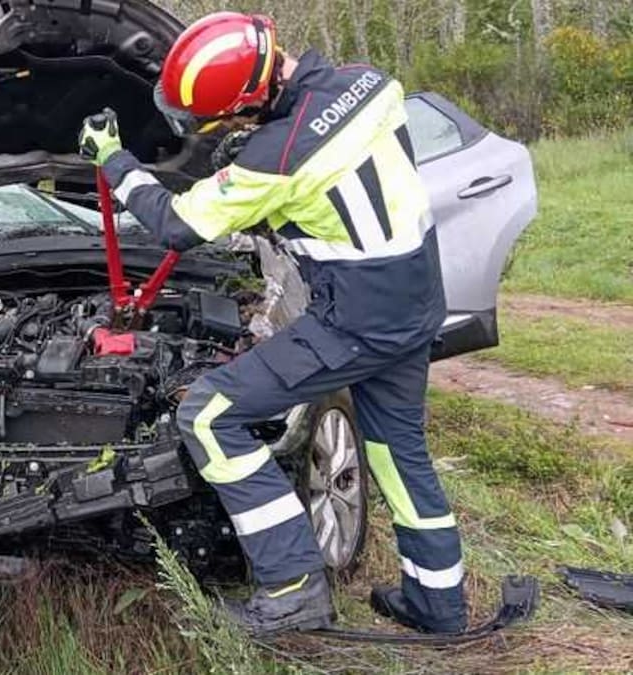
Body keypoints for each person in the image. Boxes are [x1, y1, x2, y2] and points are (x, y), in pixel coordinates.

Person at [78, 12, 467, 636]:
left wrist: (114, 161)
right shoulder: (370, 82)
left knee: (206, 414)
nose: (223, 129)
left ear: (247, 100)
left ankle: (291, 589)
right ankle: (439, 606)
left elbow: (177, 225)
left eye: (223, 118)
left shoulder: (275, 156)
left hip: (358, 320)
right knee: (397, 456)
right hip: (418, 299)